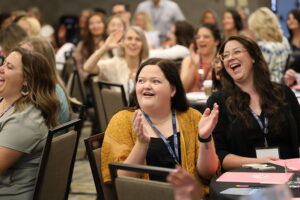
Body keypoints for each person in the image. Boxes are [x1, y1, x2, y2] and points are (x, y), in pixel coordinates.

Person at [101, 58, 220, 197]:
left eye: (155, 81)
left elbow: (208, 172)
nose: (146, 86)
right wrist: (141, 144)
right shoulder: (122, 121)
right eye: (141, 81)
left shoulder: (192, 118)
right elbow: (121, 180)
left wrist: (205, 138)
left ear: (173, 90)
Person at [206, 35, 300, 171]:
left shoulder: (283, 94)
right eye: (225, 55)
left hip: (288, 176)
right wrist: (259, 162)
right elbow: (219, 155)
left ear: (253, 57)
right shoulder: (218, 101)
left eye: (237, 52)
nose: (230, 58)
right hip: (244, 179)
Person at [0, 47, 60, 199]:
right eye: (4, 63)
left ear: (26, 79)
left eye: (9, 67)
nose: (1, 69)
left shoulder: (26, 120)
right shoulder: (6, 101)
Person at [83, 26, 149, 99]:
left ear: (143, 44)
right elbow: (87, 67)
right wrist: (105, 47)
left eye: (138, 39)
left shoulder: (148, 66)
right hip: (119, 109)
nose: (133, 43)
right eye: (129, 38)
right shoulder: (114, 64)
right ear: (123, 42)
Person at [20, 36, 71, 124]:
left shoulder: (46, 93)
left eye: (24, 57)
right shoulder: (35, 84)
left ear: (40, 62)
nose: (19, 60)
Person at [248, 7, 291, 83]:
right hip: (283, 84)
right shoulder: (284, 40)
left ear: (259, 27)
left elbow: (259, 74)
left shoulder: (265, 48)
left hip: (268, 87)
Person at [181, 23, 221, 92]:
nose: (201, 40)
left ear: (216, 41)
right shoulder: (189, 60)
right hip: (192, 101)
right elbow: (182, 89)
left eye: (206, 37)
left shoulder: (221, 60)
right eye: (198, 37)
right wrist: (194, 65)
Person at [74, 12, 108, 81]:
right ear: (88, 27)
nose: (95, 26)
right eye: (91, 23)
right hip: (91, 82)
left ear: (104, 25)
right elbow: (79, 68)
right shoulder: (82, 45)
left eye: (98, 22)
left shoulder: (110, 43)